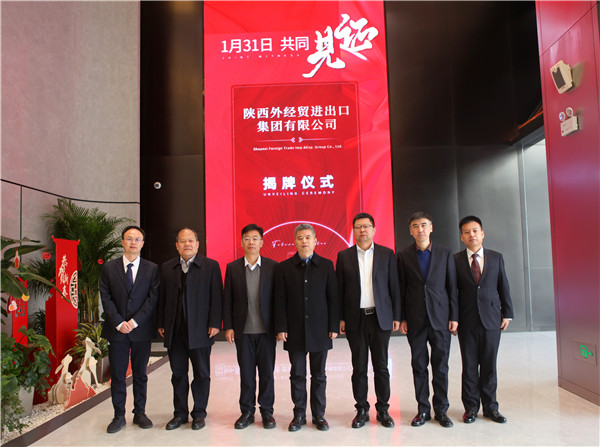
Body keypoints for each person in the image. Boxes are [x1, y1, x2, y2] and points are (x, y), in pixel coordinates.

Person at [336, 212, 401, 428]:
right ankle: (361, 409)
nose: (362, 230)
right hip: (355, 319)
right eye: (358, 227)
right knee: (359, 367)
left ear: (373, 229)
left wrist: (396, 316)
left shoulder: (386, 254)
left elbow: (394, 287)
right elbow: (340, 291)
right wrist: (341, 318)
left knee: (381, 367)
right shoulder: (344, 256)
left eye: (366, 226)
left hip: (380, 318)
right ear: (353, 231)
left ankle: (383, 409)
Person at [274, 223, 340, 432]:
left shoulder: (326, 265)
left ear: (315, 240)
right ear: (294, 242)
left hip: (320, 329)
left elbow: (333, 298)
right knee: (297, 375)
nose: (304, 241)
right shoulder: (284, 267)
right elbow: (280, 300)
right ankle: (299, 415)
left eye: (308, 237)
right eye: (300, 237)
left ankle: (319, 415)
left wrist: (333, 325)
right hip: (294, 330)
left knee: (319, 375)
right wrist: (281, 326)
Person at [397, 212, 458, 428]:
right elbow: (401, 289)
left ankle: (441, 410)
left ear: (431, 228)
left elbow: (452, 287)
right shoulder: (403, 255)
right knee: (419, 366)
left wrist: (454, 316)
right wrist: (402, 318)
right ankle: (422, 409)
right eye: (415, 226)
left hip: (441, 319)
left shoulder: (445, 252)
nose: (420, 229)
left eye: (424, 225)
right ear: (410, 231)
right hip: (415, 320)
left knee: (441, 367)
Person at [157, 228, 222, 431]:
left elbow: (217, 296)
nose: (187, 244)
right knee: (178, 374)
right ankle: (180, 414)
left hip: (201, 330)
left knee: (201, 373)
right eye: (183, 241)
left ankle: (199, 413)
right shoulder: (167, 267)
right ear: (176, 245)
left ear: (197, 244)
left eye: (191, 241)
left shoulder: (210, 266)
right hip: (175, 330)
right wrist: (161, 323)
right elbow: (161, 298)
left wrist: (215, 322)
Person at [454, 215, 514, 424]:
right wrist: (453, 318)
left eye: (475, 231)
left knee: (489, 366)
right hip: (466, 321)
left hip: (491, 320)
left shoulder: (496, 258)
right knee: (469, 366)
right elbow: (453, 292)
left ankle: (491, 408)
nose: (471, 235)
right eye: (467, 232)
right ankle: (471, 408)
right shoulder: (455, 260)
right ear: (462, 237)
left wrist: (507, 313)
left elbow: (503, 286)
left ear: (482, 234)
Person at [100, 225, 160, 433]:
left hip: (141, 330)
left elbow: (152, 298)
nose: (133, 242)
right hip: (116, 330)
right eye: (129, 238)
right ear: (122, 242)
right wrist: (119, 322)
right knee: (117, 375)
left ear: (142, 243)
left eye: (137, 239)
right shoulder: (109, 268)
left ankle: (140, 412)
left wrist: (134, 322)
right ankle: (118, 415)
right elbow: (106, 297)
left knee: (140, 374)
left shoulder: (152, 269)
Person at [223, 224, 278, 430]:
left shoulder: (273, 267)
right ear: (241, 242)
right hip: (243, 331)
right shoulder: (233, 268)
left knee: (267, 373)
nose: (251, 242)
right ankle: (246, 412)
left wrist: (280, 327)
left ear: (262, 242)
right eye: (247, 238)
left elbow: (278, 299)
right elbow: (227, 299)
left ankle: (267, 411)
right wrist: (228, 326)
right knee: (246, 374)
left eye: (255, 238)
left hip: (267, 331)